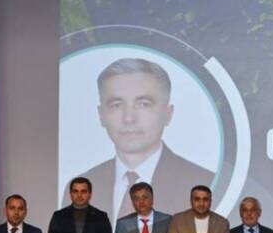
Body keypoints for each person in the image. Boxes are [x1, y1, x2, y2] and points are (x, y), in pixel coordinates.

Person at [73, 58, 214, 218]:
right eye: (116, 105)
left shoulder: (202, 182)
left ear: (168, 113)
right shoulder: (85, 184)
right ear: (101, 115)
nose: (129, 118)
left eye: (143, 104)